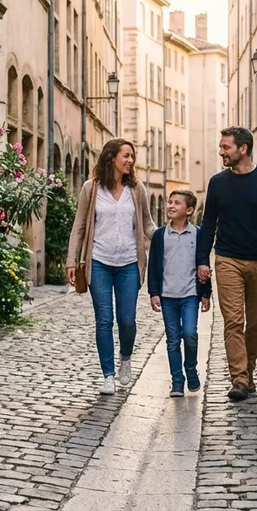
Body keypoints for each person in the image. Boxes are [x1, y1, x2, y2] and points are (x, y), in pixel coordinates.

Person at [196, 126, 257, 402]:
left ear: (243, 149)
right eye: (221, 147)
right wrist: (203, 260)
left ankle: (248, 371)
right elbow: (208, 223)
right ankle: (239, 378)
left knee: (256, 321)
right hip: (227, 259)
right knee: (233, 320)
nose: (221, 151)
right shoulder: (217, 182)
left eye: (226, 147)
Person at [68, 139, 156, 395]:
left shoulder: (136, 188)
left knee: (127, 321)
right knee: (104, 320)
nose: (130, 160)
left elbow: (147, 224)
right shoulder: (91, 188)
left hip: (129, 262)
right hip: (99, 263)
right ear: (111, 157)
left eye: (132, 156)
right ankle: (108, 374)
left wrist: (167, 236)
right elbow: (80, 226)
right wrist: (72, 261)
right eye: (126, 156)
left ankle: (125, 358)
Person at [148, 190, 212, 397]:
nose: (170, 206)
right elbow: (154, 265)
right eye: (169, 202)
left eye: (177, 203)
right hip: (167, 295)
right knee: (173, 339)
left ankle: (191, 370)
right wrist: (153, 292)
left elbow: (204, 264)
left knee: (190, 334)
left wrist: (206, 293)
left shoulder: (198, 234)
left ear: (189, 210)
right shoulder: (160, 235)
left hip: (190, 294)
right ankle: (177, 381)